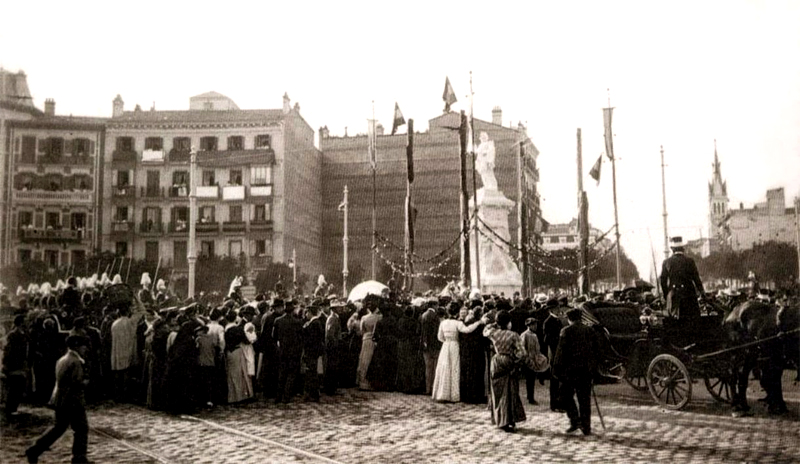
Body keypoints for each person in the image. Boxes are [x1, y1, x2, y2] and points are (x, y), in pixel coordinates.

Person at [26, 335, 91, 464]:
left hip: (60, 399)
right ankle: (79, 457)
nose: (85, 349)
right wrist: (85, 382)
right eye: (84, 346)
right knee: (82, 428)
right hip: (73, 400)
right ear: (77, 346)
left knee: (58, 428)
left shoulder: (62, 359)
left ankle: (35, 449)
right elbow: (76, 383)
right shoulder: (76, 362)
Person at [482, 310, 533, 433]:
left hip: (496, 360)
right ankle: (510, 419)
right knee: (510, 390)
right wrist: (516, 362)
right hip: (509, 361)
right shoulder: (513, 335)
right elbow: (522, 353)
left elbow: (485, 330)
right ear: (509, 322)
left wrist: (495, 323)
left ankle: (500, 419)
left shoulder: (493, 333)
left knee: (497, 391)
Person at [552, 308, 600, 436]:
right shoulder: (590, 330)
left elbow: (560, 352)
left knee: (564, 396)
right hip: (586, 370)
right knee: (584, 399)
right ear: (580, 318)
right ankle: (586, 426)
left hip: (570, 371)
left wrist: (556, 368)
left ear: (569, 319)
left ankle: (575, 420)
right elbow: (596, 351)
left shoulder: (565, 331)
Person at [660, 236, 705, 319]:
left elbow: (663, 281)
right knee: (693, 321)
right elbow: (696, 279)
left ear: (672, 249)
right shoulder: (690, 261)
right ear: (682, 249)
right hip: (689, 295)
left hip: (674, 296)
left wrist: (667, 295)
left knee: (673, 322)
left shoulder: (666, 262)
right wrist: (702, 293)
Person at [2, 314, 29, 420]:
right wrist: (7, 364)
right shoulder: (13, 335)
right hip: (14, 364)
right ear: (21, 322)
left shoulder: (23, 334)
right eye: (24, 321)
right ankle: (10, 409)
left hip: (21, 363)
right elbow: (9, 351)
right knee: (14, 386)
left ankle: (14, 407)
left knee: (20, 386)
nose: (26, 322)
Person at [356, 295, 382, 390]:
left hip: (365, 339)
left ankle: (362, 380)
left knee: (363, 360)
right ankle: (368, 381)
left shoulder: (364, 318)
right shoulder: (379, 317)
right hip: (374, 340)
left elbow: (361, 330)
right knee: (371, 360)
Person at [420, 300, 442, 395]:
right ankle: (433, 388)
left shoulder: (423, 315)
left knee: (427, 368)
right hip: (435, 345)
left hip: (426, 346)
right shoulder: (435, 317)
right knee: (435, 367)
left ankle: (428, 388)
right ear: (434, 305)